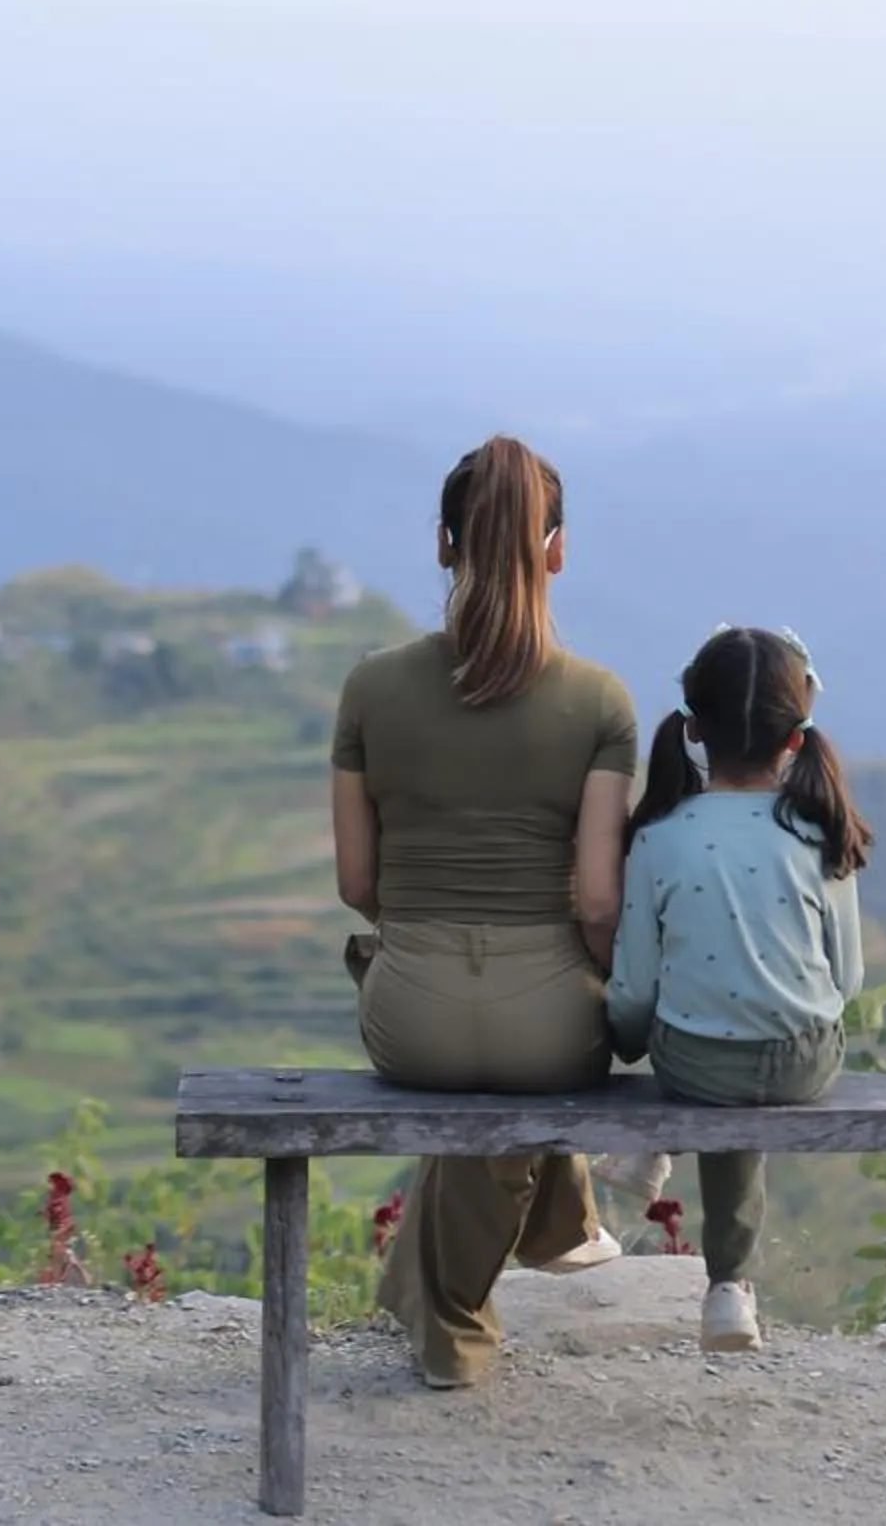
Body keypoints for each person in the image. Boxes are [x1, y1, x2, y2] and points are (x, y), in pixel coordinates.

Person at [330, 434, 640, 1390]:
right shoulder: (600, 701)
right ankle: (535, 1247)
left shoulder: (372, 687)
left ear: (442, 543)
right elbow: (599, 903)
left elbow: (357, 882)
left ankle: (465, 1302)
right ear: (558, 550)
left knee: (471, 1070)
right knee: (518, 1064)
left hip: (409, 1021)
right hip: (551, 1030)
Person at [605, 624, 872, 1355]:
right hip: (805, 1059)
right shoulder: (819, 832)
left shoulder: (659, 838)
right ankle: (728, 1284)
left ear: (692, 729)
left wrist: (625, 1047)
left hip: (690, 1064)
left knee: (708, 1048)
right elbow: (847, 978)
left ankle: (671, 1184)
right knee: (746, 1049)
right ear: (794, 739)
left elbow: (633, 990)